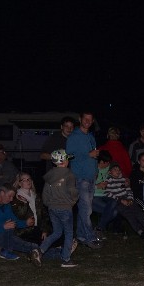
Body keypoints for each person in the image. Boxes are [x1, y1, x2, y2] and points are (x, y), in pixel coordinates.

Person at [0, 185, 42, 265]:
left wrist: (25, 223)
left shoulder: (6, 206)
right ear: (2, 193)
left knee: (33, 246)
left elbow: (14, 221)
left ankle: (49, 252)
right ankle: (6, 251)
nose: (11, 199)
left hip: (5, 236)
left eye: (12, 197)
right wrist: (2, 226)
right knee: (9, 228)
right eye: (9, 196)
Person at [66, 111, 103, 248]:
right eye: (85, 118)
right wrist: (88, 154)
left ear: (92, 122)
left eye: (90, 119)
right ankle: (90, 237)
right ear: (80, 119)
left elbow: (93, 156)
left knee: (85, 209)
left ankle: (81, 235)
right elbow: (69, 156)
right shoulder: (74, 136)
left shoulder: (91, 136)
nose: (87, 121)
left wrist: (96, 168)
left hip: (91, 177)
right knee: (86, 210)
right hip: (80, 177)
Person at [38, 149, 79, 267]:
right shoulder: (69, 174)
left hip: (52, 208)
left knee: (56, 232)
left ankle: (40, 250)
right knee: (68, 233)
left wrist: (49, 204)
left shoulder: (50, 175)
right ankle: (66, 259)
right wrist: (72, 202)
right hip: (65, 208)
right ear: (65, 161)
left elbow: (45, 194)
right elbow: (73, 191)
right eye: (67, 159)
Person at [104, 163, 144, 237]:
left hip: (128, 198)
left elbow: (129, 190)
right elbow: (107, 193)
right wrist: (120, 200)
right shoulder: (108, 180)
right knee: (129, 215)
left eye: (118, 170)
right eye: (115, 170)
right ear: (110, 172)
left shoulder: (123, 179)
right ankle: (140, 231)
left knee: (139, 213)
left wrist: (130, 199)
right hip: (118, 201)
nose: (117, 171)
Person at [11, 172, 49, 244]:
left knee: (54, 236)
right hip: (24, 231)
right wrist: (25, 203)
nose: (28, 181)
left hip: (37, 228)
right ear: (19, 184)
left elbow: (44, 214)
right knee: (41, 244)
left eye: (29, 179)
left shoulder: (36, 196)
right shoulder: (15, 197)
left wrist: (44, 230)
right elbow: (20, 215)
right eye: (24, 180)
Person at [92, 150, 118, 236]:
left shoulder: (108, 168)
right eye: (107, 163)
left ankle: (99, 228)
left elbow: (118, 173)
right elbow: (85, 186)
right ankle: (99, 229)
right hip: (94, 196)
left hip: (106, 194)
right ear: (102, 162)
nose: (108, 164)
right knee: (113, 212)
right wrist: (97, 186)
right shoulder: (92, 169)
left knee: (113, 202)